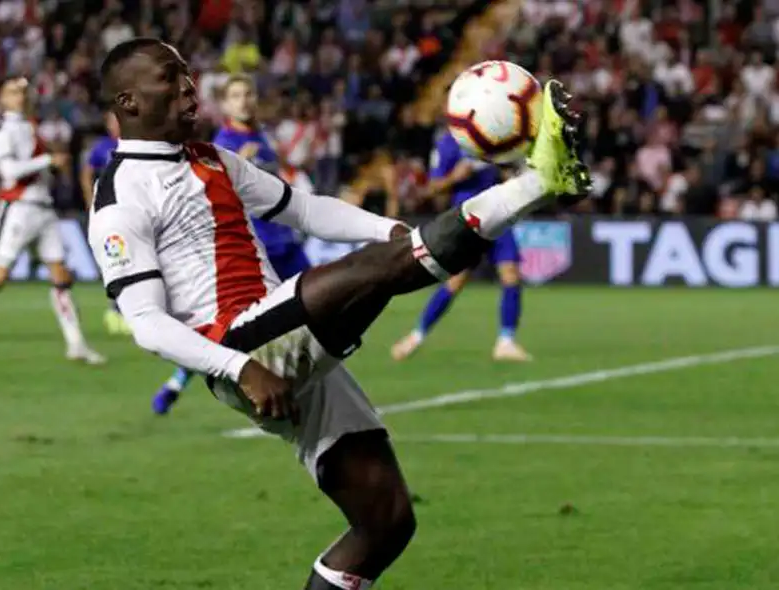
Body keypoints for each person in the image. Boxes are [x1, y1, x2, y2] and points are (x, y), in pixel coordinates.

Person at [89, 39, 588, 589]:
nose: (189, 86)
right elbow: (146, 322)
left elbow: (302, 209)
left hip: (276, 330)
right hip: (241, 347)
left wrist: (388, 231)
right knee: (378, 271)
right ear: (130, 103)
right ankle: (539, 181)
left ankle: (525, 188)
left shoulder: (210, 158)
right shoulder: (120, 196)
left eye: (187, 72)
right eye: (171, 77)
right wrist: (241, 369)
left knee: (386, 521)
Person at [150, 74, 312, 415]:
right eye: (236, 95)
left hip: (284, 242)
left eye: (248, 93)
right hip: (253, 252)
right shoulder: (224, 144)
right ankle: (181, 381)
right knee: (234, 327)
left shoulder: (260, 138)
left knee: (321, 305)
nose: (244, 100)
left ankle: (303, 381)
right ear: (224, 104)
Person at [0, 77, 105, 365]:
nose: (20, 95)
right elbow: (9, 171)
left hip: (44, 209)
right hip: (18, 208)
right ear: (3, 100)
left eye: (22, 91)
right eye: (12, 92)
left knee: (61, 277)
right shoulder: (1, 129)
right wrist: (48, 162)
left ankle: (76, 344)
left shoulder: (31, 126)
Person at [391, 131, 532, 362]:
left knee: (511, 275)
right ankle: (416, 336)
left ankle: (506, 342)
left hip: (497, 210)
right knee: (455, 282)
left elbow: (504, 169)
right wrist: (455, 177)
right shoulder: (448, 143)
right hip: (467, 218)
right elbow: (432, 188)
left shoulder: (489, 133)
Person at [79, 112, 132, 336]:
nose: (116, 124)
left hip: (134, 213)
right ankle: (115, 311)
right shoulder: (102, 147)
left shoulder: (136, 145)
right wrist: (91, 201)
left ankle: (129, 311)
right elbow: (87, 174)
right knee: (118, 262)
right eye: (112, 120)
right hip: (111, 214)